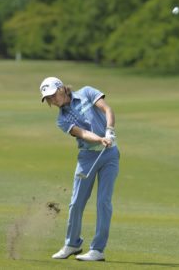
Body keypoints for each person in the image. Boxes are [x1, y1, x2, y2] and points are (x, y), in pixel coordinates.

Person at [40, 77, 119, 262]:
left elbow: (107, 109)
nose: (52, 100)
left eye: (52, 95)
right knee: (76, 203)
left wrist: (109, 130)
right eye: (48, 99)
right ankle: (72, 243)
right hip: (87, 158)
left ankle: (97, 250)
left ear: (61, 89)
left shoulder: (87, 92)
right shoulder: (62, 119)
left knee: (104, 202)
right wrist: (100, 139)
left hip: (110, 155)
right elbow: (82, 133)